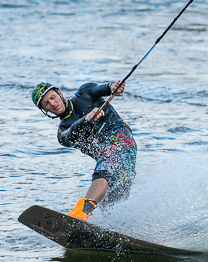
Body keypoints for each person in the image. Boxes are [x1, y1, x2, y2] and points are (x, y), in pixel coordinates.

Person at [31, 80, 137, 221]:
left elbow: (103, 88)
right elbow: (71, 132)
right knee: (112, 209)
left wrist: (113, 87)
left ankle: (82, 211)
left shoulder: (84, 93)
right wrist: (86, 120)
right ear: (45, 110)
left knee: (103, 170)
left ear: (59, 93)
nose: (52, 103)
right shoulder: (62, 134)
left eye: (52, 97)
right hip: (115, 162)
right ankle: (140, 233)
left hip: (121, 139)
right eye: (46, 104)